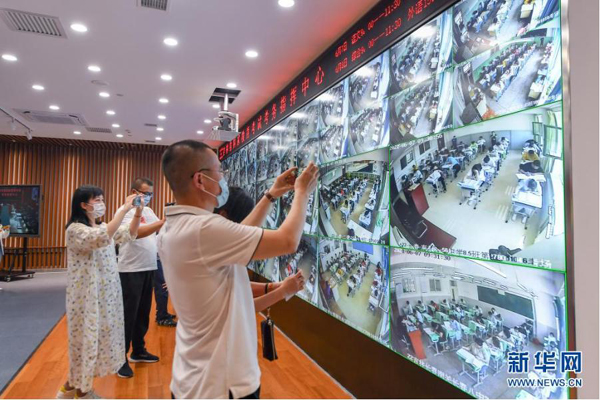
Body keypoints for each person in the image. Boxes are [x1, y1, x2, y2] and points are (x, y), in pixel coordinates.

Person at [156, 140, 318, 399]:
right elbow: (288, 241)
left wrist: (271, 195)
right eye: (219, 171)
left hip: (193, 378)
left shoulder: (176, 227)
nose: (223, 178)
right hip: (222, 385)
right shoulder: (203, 230)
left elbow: (240, 234)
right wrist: (302, 192)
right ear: (200, 180)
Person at [57, 186, 141, 399]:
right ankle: (83, 391)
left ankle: (69, 389)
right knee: (86, 342)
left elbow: (128, 233)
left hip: (106, 297)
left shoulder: (103, 226)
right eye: (97, 200)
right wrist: (124, 209)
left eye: (102, 199)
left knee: (99, 341)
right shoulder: (75, 230)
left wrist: (137, 213)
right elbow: (101, 237)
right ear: (83, 205)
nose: (101, 203)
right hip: (87, 297)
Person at [116, 178, 166, 379]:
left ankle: (138, 350)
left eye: (151, 193)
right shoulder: (125, 211)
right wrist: (163, 222)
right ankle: (120, 358)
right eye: (145, 193)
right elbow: (135, 233)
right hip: (131, 269)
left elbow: (158, 232)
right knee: (128, 315)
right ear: (134, 192)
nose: (148, 197)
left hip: (149, 266)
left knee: (143, 313)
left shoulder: (149, 211)